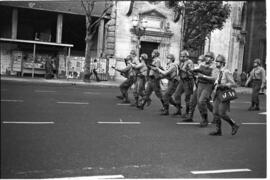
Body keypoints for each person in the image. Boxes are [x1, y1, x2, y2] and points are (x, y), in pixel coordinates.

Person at [209, 54, 239, 136]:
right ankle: (218, 130)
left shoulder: (226, 72)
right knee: (215, 112)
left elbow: (234, 84)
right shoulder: (218, 72)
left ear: (222, 63)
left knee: (222, 113)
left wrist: (224, 85)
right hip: (217, 94)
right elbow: (216, 82)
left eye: (218, 62)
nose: (216, 63)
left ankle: (234, 125)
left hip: (224, 93)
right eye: (216, 61)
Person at [182, 55, 214, 122]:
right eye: (199, 60)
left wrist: (201, 74)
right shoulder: (201, 65)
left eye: (201, 60)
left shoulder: (213, 66)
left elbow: (213, 77)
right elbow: (195, 74)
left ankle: (214, 117)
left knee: (204, 102)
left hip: (207, 85)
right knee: (192, 101)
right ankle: (190, 116)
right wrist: (190, 71)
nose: (199, 61)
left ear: (212, 58)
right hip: (199, 85)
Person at [196, 51, 219, 127]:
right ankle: (216, 116)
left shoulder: (215, 66)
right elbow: (198, 73)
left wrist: (203, 76)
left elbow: (214, 78)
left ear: (212, 59)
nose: (206, 58)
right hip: (200, 84)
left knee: (201, 101)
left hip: (208, 85)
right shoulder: (202, 64)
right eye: (206, 56)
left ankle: (205, 120)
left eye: (208, 57)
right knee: (203, 103)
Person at [175, 50, 194, 118]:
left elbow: (192, 72)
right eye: (181, 56)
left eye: (183, 56)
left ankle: (187, 112)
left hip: (188, 81)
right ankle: (178, 110)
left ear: (187, 56)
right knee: (176, 94)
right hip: (182, 81)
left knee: (187, 98)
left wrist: (184, 70)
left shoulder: (189, 62)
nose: (181, 57)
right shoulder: (182, 62)